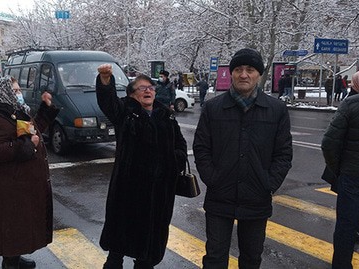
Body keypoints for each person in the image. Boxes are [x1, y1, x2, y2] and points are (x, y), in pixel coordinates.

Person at [193, 48, 293, 269]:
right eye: (238, 69)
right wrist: (213, 178)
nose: (243, 74)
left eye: (250, 69)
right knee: (215, 258)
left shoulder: (276, 109)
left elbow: (284, 153)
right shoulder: (213, 108)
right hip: (220, 197)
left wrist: (269, 183)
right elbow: (201, 148)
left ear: (259, 74)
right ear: (231, 73)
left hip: (257, 198)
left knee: (251, 258)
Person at [95, 64, 187, 269]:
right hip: (130, 188)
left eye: (151, 88)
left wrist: (174, 162)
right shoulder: (125, 112)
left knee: (150, 246)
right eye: (142, 88)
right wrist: (104, 80)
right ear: (131, 94)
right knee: (119, 242)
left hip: (159, 190)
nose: (148, 91)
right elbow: (107, 102)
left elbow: (180, 144)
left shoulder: (165, 114)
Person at [0, 76, 60, 269]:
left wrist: (45, 108)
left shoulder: (17, 113)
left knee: (19, 226)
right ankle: (10, 263)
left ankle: (14, 257)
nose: (19, 94)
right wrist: (27, 145)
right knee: (11, 226)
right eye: (15, 91)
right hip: (9, 187)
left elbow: (35, 132)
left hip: (21, 185)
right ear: (5, 94)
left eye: (19, 90)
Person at [321, 64, 359, 269]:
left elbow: (329, 144)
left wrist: (339, 169)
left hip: (353, 175)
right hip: (353, 174)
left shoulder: (351, 104)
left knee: (346, 227)